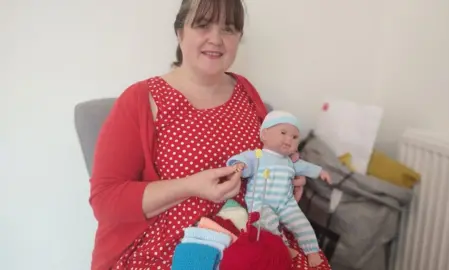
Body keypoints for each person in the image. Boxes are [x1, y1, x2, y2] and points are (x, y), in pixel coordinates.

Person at [88, 0, 332, 269]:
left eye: (228, 29)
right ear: (180, 32)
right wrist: (190, 186)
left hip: (251, 234)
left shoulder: (246, 91)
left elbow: (269, 153)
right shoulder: (141, 100)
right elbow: (106, 200)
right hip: (172, 249)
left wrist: (283, 178)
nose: (216, 39)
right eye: (203, 25)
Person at [226, 110, 331, 267]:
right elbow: (243, 161)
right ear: (264, 134)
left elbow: (306, 167)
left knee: (301, 222)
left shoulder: (290, 162)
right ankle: (282, 247)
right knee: (266, 223)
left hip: (285, 202)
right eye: (283, 132)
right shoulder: (258, 155)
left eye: (294, 137)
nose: (289, 139)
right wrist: (239, 165)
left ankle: (312, 251)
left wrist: (320, 172)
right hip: (260, 201)